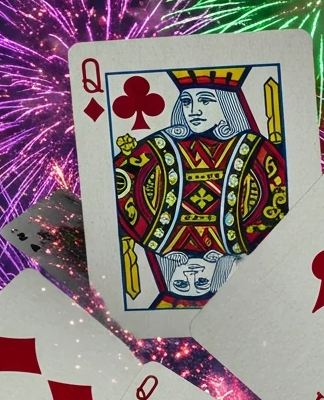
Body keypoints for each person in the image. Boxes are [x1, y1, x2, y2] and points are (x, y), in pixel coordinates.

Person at [114, 67, 288, 309]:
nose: (193, 110)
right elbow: (119, 184)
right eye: (186, 101)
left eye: (205, 101)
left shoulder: (254, 149)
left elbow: (280, 200)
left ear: (227, 105)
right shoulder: (160, 146)